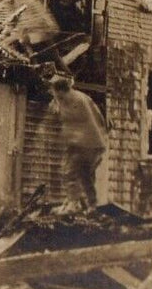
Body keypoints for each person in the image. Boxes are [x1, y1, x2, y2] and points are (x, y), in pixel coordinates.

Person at [45, 68, 107, 214]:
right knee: (85, 175)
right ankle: (91, 206)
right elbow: (100, 118)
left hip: (84, 143)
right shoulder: (82, 97)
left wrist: (68, 141)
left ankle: (74, 204)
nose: (54, 96)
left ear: (60, 91)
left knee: (69, 172)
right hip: (95, 143)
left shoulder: (71, 101)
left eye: (55, 93)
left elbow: (71, 124)